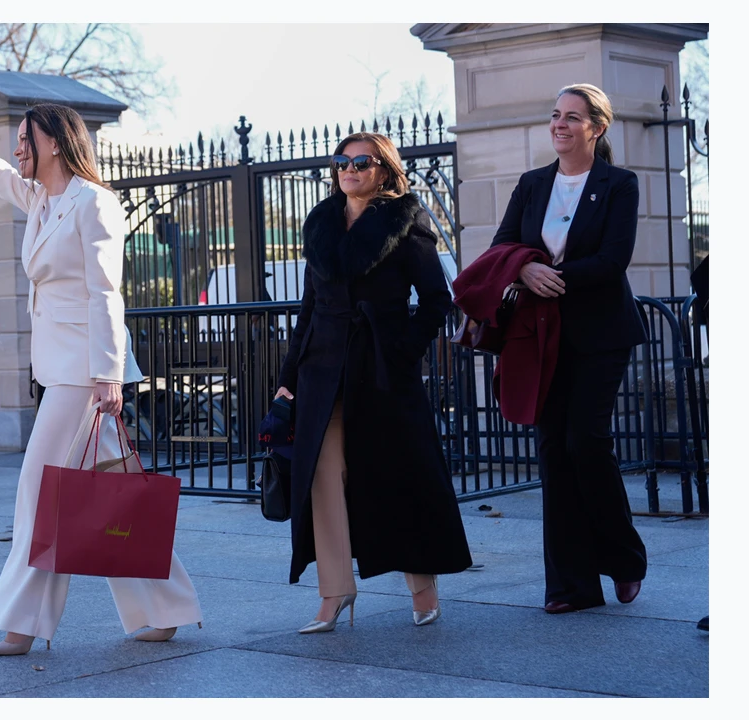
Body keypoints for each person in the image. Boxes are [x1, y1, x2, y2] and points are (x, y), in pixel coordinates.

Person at [0, 55, 203, 655]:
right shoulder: (42, 200)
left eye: (26, 138)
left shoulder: (92, 203)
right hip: (62, 372)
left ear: (54, 142)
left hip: (85, 376)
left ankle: (22, 625)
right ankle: (166, 607)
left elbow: (106, 293)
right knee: (109, 492)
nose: (17, 148)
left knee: (40, 491)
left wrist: (107, 375)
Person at [274, 133, 473, 633]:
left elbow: (436, 299)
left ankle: (422, 587)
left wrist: (402, 351)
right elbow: (308, 309)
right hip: (321, 369)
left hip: (383, 369)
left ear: (383, 169)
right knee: (323, 478)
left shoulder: (406, 219)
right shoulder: (321, 222)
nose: (350, 169)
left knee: (398, 474)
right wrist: (287, 379)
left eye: (361, 161)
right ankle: (335, 591)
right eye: (342, 161)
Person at [488, 83, 648, 614]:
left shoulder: (618, 184)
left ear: (596, 128)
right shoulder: (533, 184)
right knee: (554, 450)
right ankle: (571, 586)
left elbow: (612, 260)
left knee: (586, 441)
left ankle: (623, 558)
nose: (560, 123)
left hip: (601, 332)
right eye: (556, 114)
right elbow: (503, 245)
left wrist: (551, 276)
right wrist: (524, 270)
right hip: (540, 333)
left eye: (573, 117)